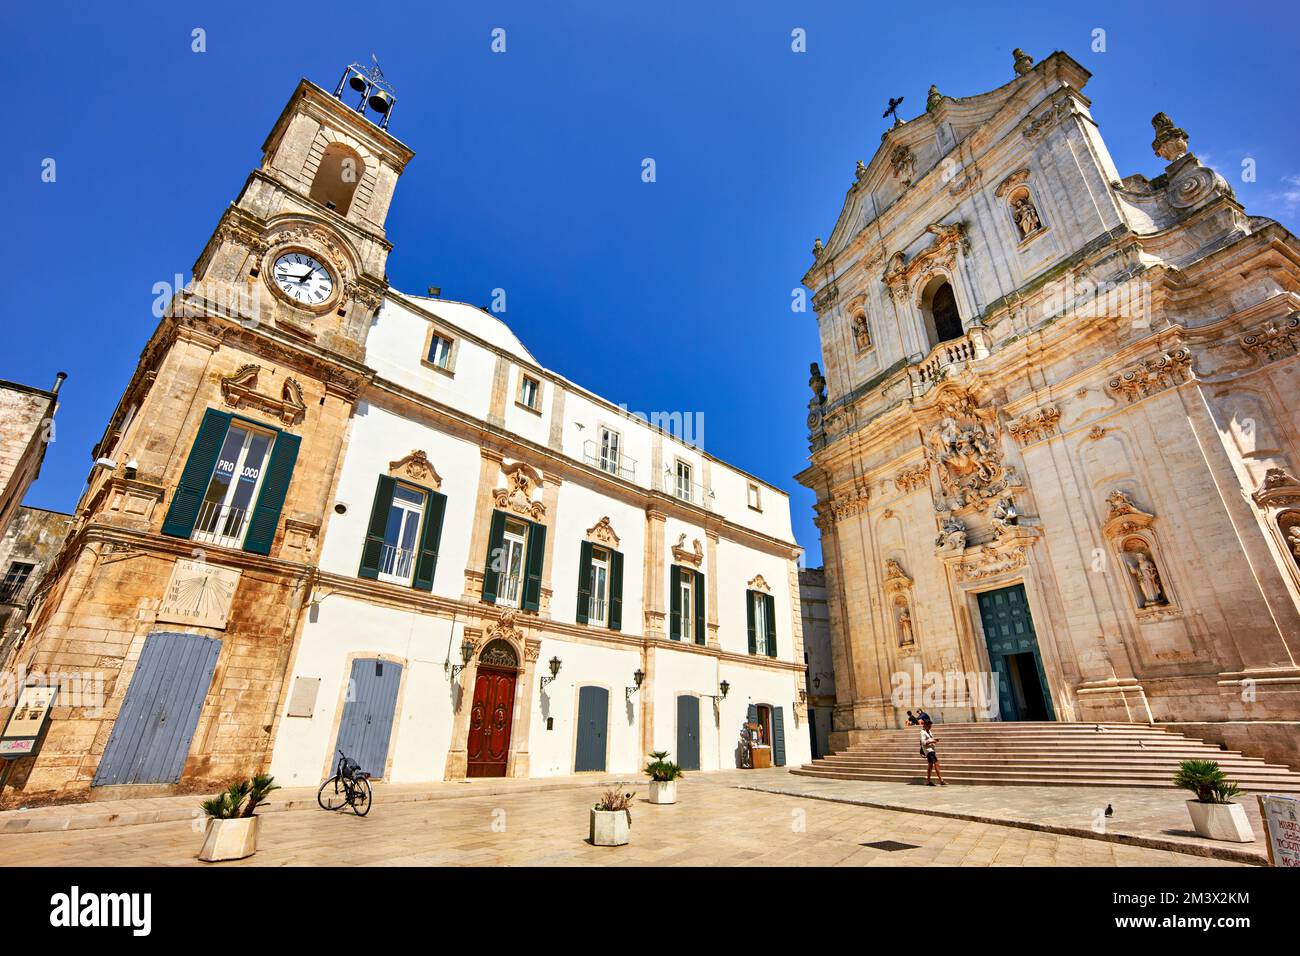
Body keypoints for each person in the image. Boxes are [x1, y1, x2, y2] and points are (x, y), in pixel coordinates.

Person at [920, 719, 946, 786]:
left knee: (930, 766)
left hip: (932, 750)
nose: (930, 727)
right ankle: (941, 780)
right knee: (936, 763)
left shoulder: (929, 732)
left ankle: (928, 781)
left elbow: (930, 739)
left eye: (930, 726)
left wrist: (934, 740)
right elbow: (923, 742)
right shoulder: (922, 732)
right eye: (929, 726)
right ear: (925, 725)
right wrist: (932, 741)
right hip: (929, 751)